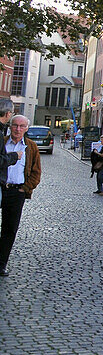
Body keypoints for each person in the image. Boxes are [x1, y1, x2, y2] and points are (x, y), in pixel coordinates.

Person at [1, 115, 42, 277]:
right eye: (15, 125)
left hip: (16, 192)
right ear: (10, 126)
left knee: (9, 229)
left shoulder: (31, 147)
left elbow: (36, 172)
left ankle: (1, 263)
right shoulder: (2, 142)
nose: (18, 129)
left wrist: (25, 189)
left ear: (26, 128)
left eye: (21, 126)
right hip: (0, 188)